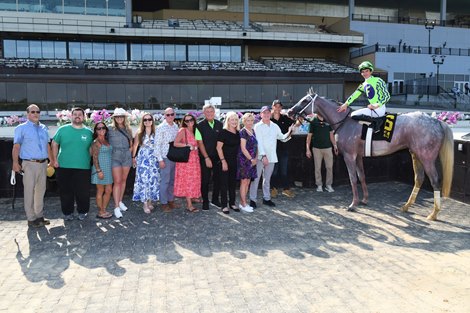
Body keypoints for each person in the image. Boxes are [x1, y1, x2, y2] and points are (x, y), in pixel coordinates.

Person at [12, 104, 53, 227]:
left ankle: (39, 216)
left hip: (43, 164)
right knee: (29, 191)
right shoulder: (21, 128)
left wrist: (51, 160)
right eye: (33, 111)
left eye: (38, 111)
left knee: (40, 191)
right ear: (28, 114)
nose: (36, 114)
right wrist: (15, 162)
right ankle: (31, 218)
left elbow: (47, 145)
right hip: (29, 164)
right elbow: (16, 146)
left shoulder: (44, 128)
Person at [52, 107, 93, 221]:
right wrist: (54, 160)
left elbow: (91, 149)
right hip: (63, 167)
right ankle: (67, 213)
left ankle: (83, 212)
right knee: (66, 192)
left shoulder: (89, 132)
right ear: (71, 116)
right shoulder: (63, 129)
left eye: (80, 114)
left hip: (83, 167)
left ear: (84, 117)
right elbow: (54, 143)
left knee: (83, 192)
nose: (77, 116)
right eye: (75, 114)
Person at [249, 105, 293, 208]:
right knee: (256, 179)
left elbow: (282, 138)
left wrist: (290, 131)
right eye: (264, 113)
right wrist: (263, 156)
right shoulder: (257, 126)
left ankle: (267, 198)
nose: (266, 114)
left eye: (268, 112)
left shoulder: (274, 126)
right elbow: (258, 142)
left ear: (270, 113)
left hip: (272, 157)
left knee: (267, 179)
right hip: (260, 157)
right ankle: (252, 199)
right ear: (261, 114)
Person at [196, 104, 223, 211]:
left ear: (214, 112)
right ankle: (205, 201)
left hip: (218, 157)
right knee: (205, 181)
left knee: (218, 179)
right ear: (204, 113)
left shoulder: (220, 124)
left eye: (211, 111)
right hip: (205, 157)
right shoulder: (199, 126)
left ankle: (215, 200)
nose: (209, 113)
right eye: (207, 112)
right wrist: (206, 157)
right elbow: (200, 143)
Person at [131, 113, 160, 214]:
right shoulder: (139, 133)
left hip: (154, 159)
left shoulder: (156, 132)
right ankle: (144, 204)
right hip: (143, 158)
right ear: (143, 122)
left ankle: (150, 201)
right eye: (145, 120)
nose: (147, 121)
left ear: (152, 121)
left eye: (149, 119)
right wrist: (133, 157)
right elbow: (135, 146)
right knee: (143, 180)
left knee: (153, 179)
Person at [108, 108, 133, 218]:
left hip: (126, 156)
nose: (119, 118)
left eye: (121, 116)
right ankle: (116, 207)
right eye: (117, 116)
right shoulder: (109, 129)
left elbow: (131, 143)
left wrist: (129, 152)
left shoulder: (128, 129)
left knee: (123, 180)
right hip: (115, 156)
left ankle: (120, 201)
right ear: (114, 118)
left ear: (124, 118)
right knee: (117, 181)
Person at [174, 114, 201, 213]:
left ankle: (193, 197)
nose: (189, 122)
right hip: (186, 161)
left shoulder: (195, 130)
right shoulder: (183, 130)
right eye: (187, 121)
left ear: (194, 120)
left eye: (191, 120)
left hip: (195, 159)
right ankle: (189, 205)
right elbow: (175, 143)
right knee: (188, 181)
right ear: (184, 122)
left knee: (194, 179)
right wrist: (187, 145)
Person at [306, 113, 338, 193]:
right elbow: (309, 136)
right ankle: (319, 185)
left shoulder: (328, 120)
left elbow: (331, 135)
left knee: (329, 167)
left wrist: (335, 145)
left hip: (328, 148)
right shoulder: (313, 121)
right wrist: (308, 149)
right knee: (317, 168)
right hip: (316, 148)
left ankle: (328, 185)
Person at [155, 107, 179, 213]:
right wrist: (160, 160)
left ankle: (171, 200)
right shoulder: (160, 127)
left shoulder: (175, 126)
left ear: (174, 115)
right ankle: (164, 203)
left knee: (172, 181)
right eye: (167, 115)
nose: (170, 116)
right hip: (165, 158)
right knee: (165, 181)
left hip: (174, 157)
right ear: (164, 116)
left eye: (172, 114)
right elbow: (157, 145)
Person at [216, 111, 241, 214]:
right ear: (228, 121)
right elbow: (218, 148)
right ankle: (224, 205)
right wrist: (223, 161)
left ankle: (232, 203)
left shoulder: (238, 133)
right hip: (224, 161)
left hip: (234, 161)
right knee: (224, 184)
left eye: (236, 119)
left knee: (232, 183)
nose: (234, 121)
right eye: (232, 119)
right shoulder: (223, 132)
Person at [270, 99, 295, 198]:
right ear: (273, 107)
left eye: (279, 106)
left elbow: (294, 124)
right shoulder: (269, 119)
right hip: (272, 149)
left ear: (281, 108)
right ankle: (273, 189)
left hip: (284, 148)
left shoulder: (285, 118)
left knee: (284, 170)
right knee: (274, 171)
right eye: (275, 106)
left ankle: (286, 189)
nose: (277, 108)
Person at [90, 122, 113, 219]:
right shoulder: (96, 142)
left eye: (103, 128)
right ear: (96, 131)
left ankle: (104, 209)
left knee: (109, 190)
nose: (101, 130)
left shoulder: (106, 141)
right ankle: (100, 211)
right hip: (100, 169)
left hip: (108, 169)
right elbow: (94, 158)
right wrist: (99, 171)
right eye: (99, 128)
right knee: (100, 190)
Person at [237, 113, 257, 213]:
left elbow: (256, 146)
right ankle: (243, 203)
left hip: (252, 160)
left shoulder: (253, 131)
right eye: (247, 121)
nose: (250, 122)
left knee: (248, 182)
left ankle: (243, 202)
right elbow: (243, 148)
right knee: (244, 182)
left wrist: (256, 158)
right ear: (244, 121)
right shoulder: (243, 132)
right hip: (244, 160)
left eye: (251, 120)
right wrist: (251, 159)